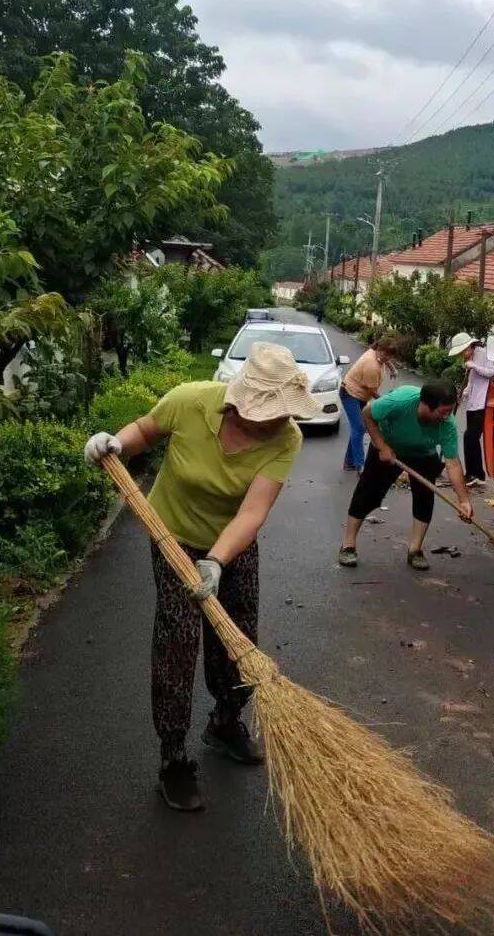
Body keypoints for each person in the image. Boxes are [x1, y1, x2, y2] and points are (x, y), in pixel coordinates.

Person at [83, 343, 316, 813]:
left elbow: (253, 513)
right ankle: (173, 759)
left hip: (231, 547)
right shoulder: (190, 400)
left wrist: (217, 560)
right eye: (270, 412)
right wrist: (115, 444)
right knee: (178, 643)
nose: (278, 421)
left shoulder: (286, 439)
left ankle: (225, 722)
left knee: (239, 640)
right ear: (240, 401)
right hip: (172, 538)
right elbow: (143, 432)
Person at [338, 380, 473, 571]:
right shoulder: (399, 401)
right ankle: (348, 545)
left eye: (449, 411)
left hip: (423, 453)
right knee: (366, 494)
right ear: (425, 404)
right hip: (389, 448)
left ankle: (415, 550)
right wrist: (382, 446)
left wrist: (464, 500)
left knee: (425, 498)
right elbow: (367, 413)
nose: (447, 417)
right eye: (442, 412)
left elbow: (453, 463)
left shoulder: (447, 424)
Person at [447, 332, 494, 487]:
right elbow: (472, 381)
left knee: (471, 436)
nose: (463, 355)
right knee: (469, 437)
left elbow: (492, 372)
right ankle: (471, 473)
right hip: (473, 402)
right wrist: (464, 393)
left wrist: (474, 365)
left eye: (463, 351)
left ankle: (478, 474)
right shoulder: (470, 359)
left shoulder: (483, 354)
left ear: (469, 346)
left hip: (482, 403)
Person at [340, 335, 397, 472]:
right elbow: (372, 390)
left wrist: (392, 368)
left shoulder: (378, 355)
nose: (385, 356)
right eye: (383, 352)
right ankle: (360, 465)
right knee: (359, 428)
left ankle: (349, 462)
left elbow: (386, 360)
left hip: (360, 396)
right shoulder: (371, 364)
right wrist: (386, 402)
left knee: (357, 428)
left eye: (389, 354)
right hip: (350, 394)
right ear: (378, 348)